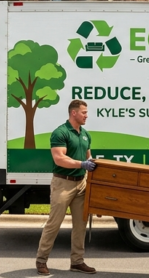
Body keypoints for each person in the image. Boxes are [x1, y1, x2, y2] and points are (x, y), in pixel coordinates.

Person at [36, 100, 97, 275]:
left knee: (80, 224)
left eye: (86, 112)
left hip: (81, 183)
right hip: (63, 184)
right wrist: (81, 164)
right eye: (84, 112)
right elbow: (59, 159)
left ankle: (77, 262)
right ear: (73, 113)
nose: (86, 115)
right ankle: (41, 260)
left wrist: (91, 163)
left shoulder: (85, 134)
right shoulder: (60, 133)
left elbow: (88, 156)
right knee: (54, 224)